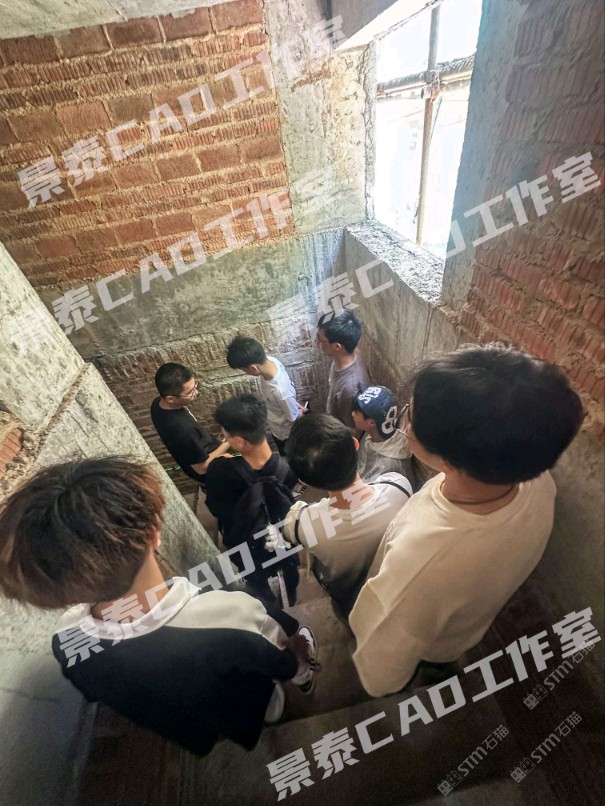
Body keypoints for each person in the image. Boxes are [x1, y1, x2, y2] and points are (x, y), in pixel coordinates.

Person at [0, 458, 320, 757]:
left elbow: (98, 691)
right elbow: (278, 657)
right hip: (247, 699)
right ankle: (278, 701)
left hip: (195, 722)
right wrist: (297, 668)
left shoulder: (66, 640)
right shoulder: (231, 613)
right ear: (154, 534)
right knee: (262, 697)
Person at [349, 344, 585, 698]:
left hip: (427, 645)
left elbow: (380, 675)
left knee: (424, 670)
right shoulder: (536, 480)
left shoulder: (420, 564)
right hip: (464, 631)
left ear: (448, 458)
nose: (405, 416)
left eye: (411, 412)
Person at [283, 414, 412, 617]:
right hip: (392, 585)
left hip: (346, 593)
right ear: (355, 444)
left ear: (304, 481)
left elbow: (288, 531)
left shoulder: (302, 524)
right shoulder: (398, 486)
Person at [205, 394, 301, 607]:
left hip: (245, 544)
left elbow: (216, 508)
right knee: (289, 566)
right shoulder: (288, 467)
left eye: (226, 437)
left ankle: (266, 601)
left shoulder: (220, 471)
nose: (225, 440)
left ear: (240, 442)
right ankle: (291, 593)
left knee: (255, 577)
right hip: (283, 537)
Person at [150, 363, 230, 490]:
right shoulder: (184, 431)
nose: (196, 392)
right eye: (190, 392)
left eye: (195, 386)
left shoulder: (157, 403)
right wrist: (228, 442)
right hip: (212, 471)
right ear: (171, 399)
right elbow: (201, 468)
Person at [226, 336, 302, 455]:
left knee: (289, 457)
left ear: (253, 368)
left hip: (286, 435)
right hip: (277, 427)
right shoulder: (271, 361)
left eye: (245, 371)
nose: (246, 373)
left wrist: (298, 412)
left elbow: (293, 418)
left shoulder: (279, 391)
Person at [317, 310, 370, 437]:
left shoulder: (348, 389)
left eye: (320, 339)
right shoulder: (353, 353)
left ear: (337, 346)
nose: (317, 343)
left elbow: (353, 430)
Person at [351, 385, 415, 484]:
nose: (353, 414)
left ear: (371, 422)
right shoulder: (374, 431)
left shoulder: (390, 465)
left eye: (357, 412)